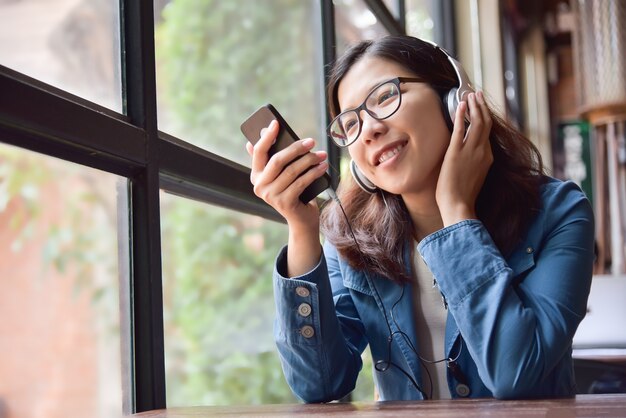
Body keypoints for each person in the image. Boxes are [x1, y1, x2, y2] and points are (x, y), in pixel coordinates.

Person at [245, 35, 595, 402]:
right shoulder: (349, 236)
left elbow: (516, 372)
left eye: (384, 97)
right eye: (350, 124)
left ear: (453, 100)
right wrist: (302, 229)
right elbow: (317, 384)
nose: (369, 131)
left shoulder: (559, 212)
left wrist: (457, 211)